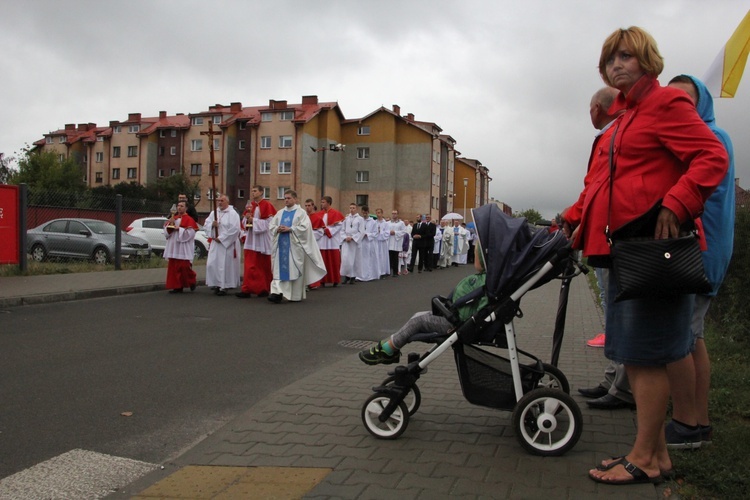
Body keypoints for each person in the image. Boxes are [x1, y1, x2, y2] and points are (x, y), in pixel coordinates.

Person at [564, 27, 727, 485]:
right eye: (610, 59)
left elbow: (712, 156)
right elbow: (606, 182)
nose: (617, 65)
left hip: (650, 251)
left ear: (647, 60)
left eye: (626, 57)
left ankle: (645, 459)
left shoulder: (665, 104)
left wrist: (678, 203)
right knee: (636, 355)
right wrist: (572, 218)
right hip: (624, 248)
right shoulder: (630, 115)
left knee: (646, 356)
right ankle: (656, 455)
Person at [663, 75, 735, 449]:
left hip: (698, 253)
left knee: (680, 338)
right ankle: (700, 421)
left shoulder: (709, 139)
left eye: (686, 102)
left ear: (700, 104)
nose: (679, 109)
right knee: (694, 337)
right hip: (705, 252)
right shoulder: (713, 135)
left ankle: (685, 425)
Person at [569, 86, 635, 411]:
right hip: (602, 238)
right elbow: (592, 188)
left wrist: (572, 219)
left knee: (619, 314)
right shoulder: (609, 136)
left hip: (613, 239)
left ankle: (623, 387)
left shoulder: (617, 135)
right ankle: (613, 377)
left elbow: (599, 187)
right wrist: (570, 219)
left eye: (590, 107)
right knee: (612, 312)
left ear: (598, 107)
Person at [360, 244, 487, 365]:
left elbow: (478, 311)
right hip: (457, 317)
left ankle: (387, 350)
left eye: (476, 253)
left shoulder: (483, 282)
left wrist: (464, 322)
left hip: (458, 323)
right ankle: (394, 345)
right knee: (418, 316)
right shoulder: (485, 280)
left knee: (418, 321)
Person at [268, 190, 326, 303]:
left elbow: (305, 228)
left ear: (295, 199)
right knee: (279, 269)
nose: (286, 200)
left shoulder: (301, 213)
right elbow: (272, 225)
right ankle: (277, 293)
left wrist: (291, 229)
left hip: (294, 247)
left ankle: (294, 295)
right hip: (281, 247)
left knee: (293, 270)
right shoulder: (280, 212)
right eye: (285, 198)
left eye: (289, 198)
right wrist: (277, 229)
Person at [236, 185, 277, 298]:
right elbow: (244, 222)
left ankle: (262, 288)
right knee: (249, 266)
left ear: (261, 192)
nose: (253, 193)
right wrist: (246, 219)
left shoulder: (267, 205)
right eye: (252, 191)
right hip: (251, 239)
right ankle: (247, 289)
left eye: (255, 191)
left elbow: (270, 223)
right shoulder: (250, 206)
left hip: (262, 240)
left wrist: (253, 220)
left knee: (261, 265)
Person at [204, 194, 242, 296]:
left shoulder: (233, 214)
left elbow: (235, 229)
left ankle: (224, 286)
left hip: (227, 244)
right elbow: (206, 224)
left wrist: (221, 238)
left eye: (222, 200)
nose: (220, 202)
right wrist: (212, 225)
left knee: (224, 265)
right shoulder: (214, 213)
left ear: (227, 202)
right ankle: (216, 283)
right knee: (212, 263)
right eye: (219, 200)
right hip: (215, 244)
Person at [163, 200, 199, 293]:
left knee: (184, 267)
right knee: (173, 267)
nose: (179, 208)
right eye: (178, 206)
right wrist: (169, 227)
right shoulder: (173, 218)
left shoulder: (189, 219)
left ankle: (191, 281)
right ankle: (177, 286)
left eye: (182, 206)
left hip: (183, 246)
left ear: (186, 208)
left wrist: (180, 229)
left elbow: (190, 234)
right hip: (173, 245)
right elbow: (166, 233)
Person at [313, 196, 345, 287]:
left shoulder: (336, 213)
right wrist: (321, 231)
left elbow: (339, 226)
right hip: (322, 240)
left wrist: (327, 230)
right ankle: (322, 279)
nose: (321, 204)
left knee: (333, 260)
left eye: (323, 202)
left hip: (332, 240)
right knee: (323, 260)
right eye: (321, 202)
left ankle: (335, 279)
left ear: (328, 203)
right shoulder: (319, 214)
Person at [340, 202, 364, 284]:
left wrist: (353, 238)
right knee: (346, 259)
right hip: (347, 241)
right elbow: (342, 229)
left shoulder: (360, 219)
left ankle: (353, 276)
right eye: (350, 208)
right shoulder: (346, 218)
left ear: (356, 209)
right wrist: (345, 237)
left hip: (354, 242)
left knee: (354, 259)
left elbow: (361, 231)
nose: (352, 209)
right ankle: (347, 276)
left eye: (353, 208)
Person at [357, 206, 380, 282]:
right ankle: (359, 275)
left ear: (368, 212)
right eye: (363, 212)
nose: (364, 214)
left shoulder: (373, 222)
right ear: (361, 212)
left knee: (368, 259)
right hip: (360, 242)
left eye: (366, 212)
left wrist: (368, 235)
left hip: (369, 243)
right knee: (360, 259)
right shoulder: (359, 220)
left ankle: (369, 275)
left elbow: (376, 233)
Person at [386, 210, 406, 278]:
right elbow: (385, 231)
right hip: (389, 242)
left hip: (396, 242)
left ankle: (395, 272)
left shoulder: (401, 223)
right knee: (389, 258)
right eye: (393, 213)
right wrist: (389, 232)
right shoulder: (388, 223)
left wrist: (395, 232)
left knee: (395, 258)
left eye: (395, 213)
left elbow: (403, 231)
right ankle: (388, 272)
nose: (394, 215)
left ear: (397, 214)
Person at [374, 209, 391, 278]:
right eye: (377, 213)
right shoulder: (374, 222)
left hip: (383, 242)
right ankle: (376, 271)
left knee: (383, 257)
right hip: (376, 242)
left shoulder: (386, 223)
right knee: (376, 256)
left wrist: (380, 233)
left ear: (382, 213)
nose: (378, 214)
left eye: (379, 213)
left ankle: (383, 271)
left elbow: (387, 233)